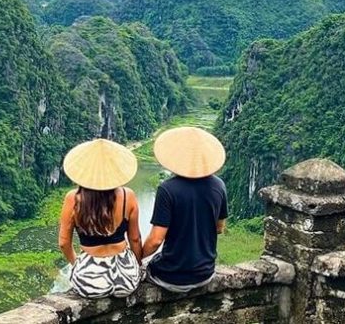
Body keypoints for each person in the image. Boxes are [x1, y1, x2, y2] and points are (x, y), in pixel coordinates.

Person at [142, 126, 228, 292]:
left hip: (171, 277)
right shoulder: (219, 186)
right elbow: (219, 228)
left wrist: (137, 258)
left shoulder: (167, 189)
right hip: (205, 274)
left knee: (148, 268)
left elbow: (155, 240)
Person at [58, 138, 144, 298]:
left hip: (90, 281)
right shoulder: (128, 196)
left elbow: (63, 243)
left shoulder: (73, 199)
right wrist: (137, 266)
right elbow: (136, 240)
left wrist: (76, 263)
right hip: (126, 279)